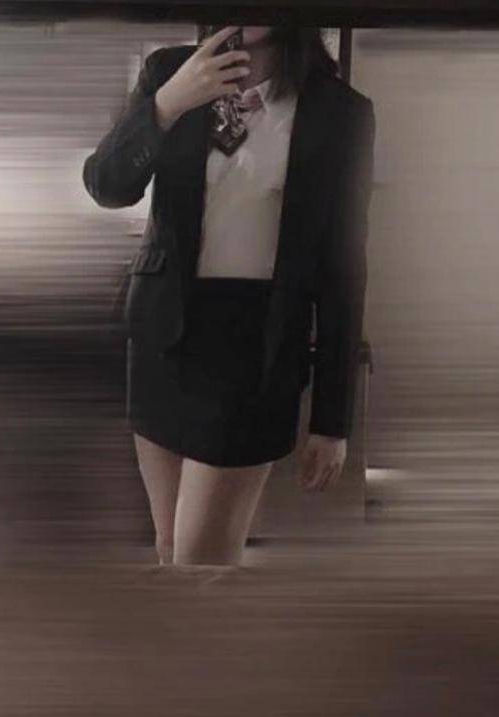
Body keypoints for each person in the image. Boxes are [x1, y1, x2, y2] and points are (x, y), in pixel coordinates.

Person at [83, 25, 376, 567]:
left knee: (201, 561)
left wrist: (333, 419)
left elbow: (343, 268)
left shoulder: (339, 111)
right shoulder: (169, 72)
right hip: (164, 338)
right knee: (169, 547)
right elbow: (107, 185)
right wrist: (166, 106)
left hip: (255, 350)